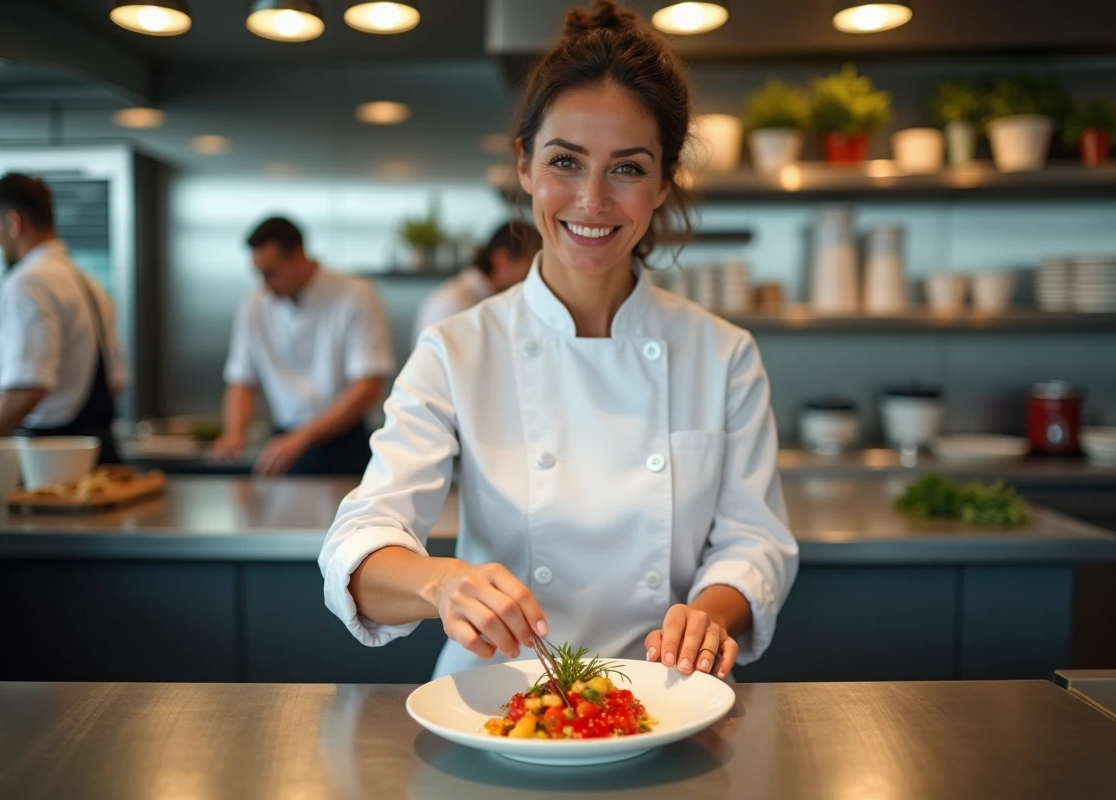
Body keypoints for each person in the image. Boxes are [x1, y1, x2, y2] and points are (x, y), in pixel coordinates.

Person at [319, 0, 798, 682]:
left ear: (664, 182)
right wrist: (441, 585)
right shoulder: (457, 349)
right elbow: (360, 542)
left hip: (664, 696)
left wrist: (710, 616)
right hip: (493, 700)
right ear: (524, 165)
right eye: (565, 162)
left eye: (628, 169)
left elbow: (756, 543)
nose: (592, 200)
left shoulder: (722, 354)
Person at [208, 217, 394, 476]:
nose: (264, 284)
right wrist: (234, 434)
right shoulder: (254, 305)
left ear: (298, 255)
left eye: (271, 272)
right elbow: (242, 381)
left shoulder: (356, 295)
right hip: (283, 442)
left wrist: (304, 437)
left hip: (345, 442)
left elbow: (368, 387)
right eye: (259, 273)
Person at [0, 174, 129, 464]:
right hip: (100, 451)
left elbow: (27, 388)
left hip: (52, 460)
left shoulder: (28, 281)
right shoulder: (87, 282)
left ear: (14, 222)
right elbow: (114, 382)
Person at [411, 220, 541, 346]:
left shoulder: (484, 298)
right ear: (501, 258)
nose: (534, 274)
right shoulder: (454, 303)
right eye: (530, 263)